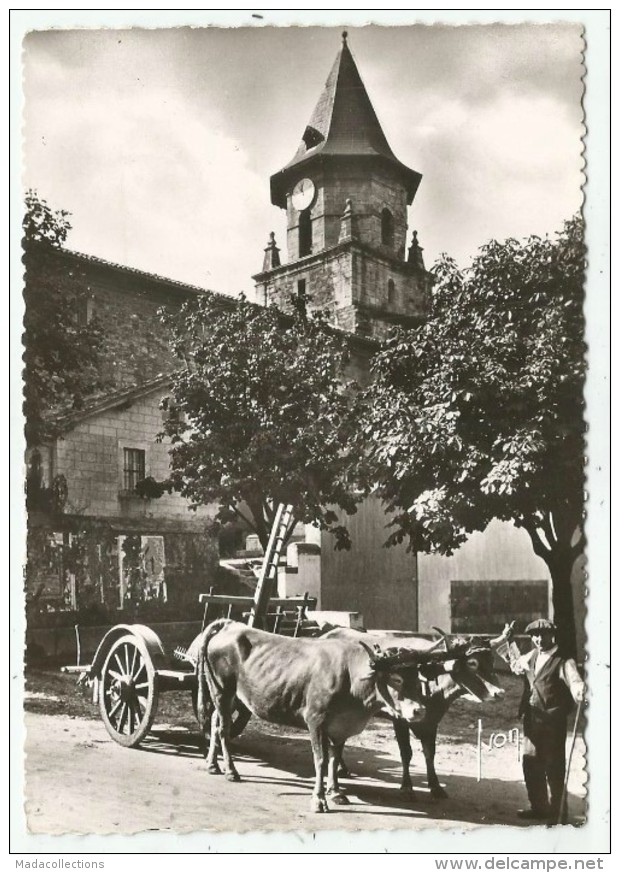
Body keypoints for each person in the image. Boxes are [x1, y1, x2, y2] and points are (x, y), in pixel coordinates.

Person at [495, 619, 585, 823]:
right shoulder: (533, 655)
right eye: (534, 635)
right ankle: (539, 807)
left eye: (542, 635)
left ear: (552, 635)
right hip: (532, 718)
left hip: (553, 721)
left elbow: (575, 681)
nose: (538, 639)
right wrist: (509, 641)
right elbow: (517, 665)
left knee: (554, 766)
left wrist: (579, 690)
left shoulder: (563, 660)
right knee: (531, 762)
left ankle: (557, 812)